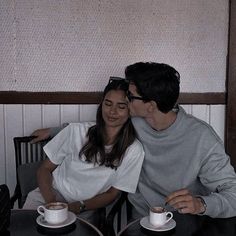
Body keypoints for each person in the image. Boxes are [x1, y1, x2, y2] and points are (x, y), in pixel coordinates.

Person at [23, 78, 144, 225]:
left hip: (85, 208)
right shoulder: (76, 131)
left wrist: (80, 205)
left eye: (121, 106)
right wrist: (52, 203)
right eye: (108, 104)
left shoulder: (133, 150)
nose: (112, 111)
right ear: (101, 105)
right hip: (49, 196)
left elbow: (112, 193)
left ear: (130, 110)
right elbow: (44, 169)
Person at [125, 62, 236, 219]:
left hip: (186, 223)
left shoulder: (202, 137)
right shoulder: (131, 123)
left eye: (130, 96)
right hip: (141, 220)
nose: (125, 99)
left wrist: (200, 204)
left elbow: (233, 195)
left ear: (151, 106)